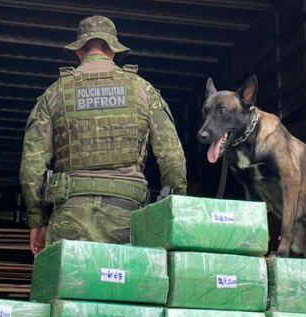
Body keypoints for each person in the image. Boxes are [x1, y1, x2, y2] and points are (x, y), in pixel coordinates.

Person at [20, 15, 188, 255]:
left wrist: (37, 220)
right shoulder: (143, 90)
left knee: (66, 290)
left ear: (79, 51)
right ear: (114, 50)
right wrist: (173, 215)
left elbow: (31, 167)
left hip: (70, 212)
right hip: (127, 214)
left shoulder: (54, 93)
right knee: (122, 288)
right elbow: (172, 160)